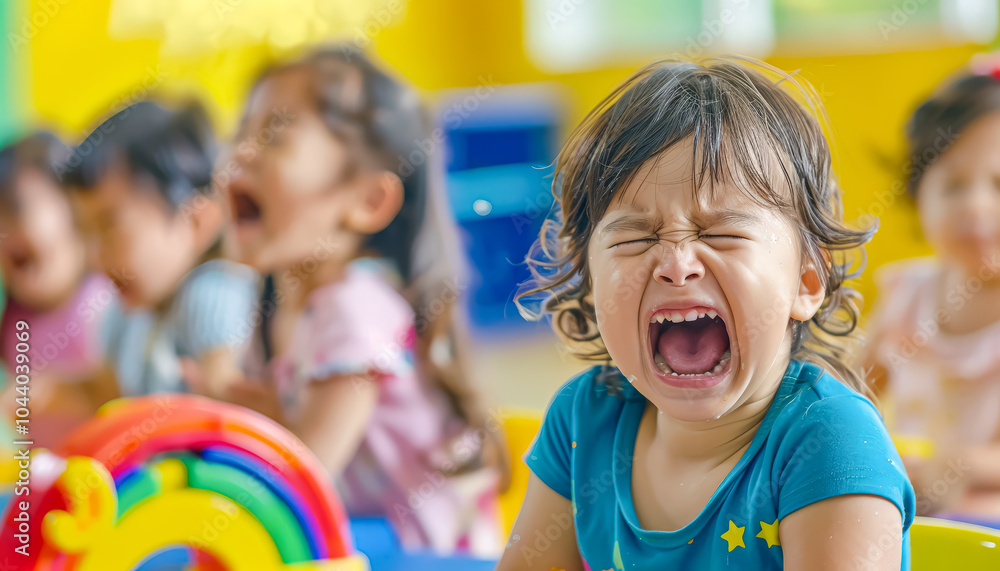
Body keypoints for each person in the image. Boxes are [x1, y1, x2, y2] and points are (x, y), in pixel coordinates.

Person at [499, 59, 915, 570]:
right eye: (636, 238)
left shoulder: (828, 439)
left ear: (806, 282)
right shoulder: (586, 419)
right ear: (590, 290)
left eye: (722, 233)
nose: (676, 265)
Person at [208, 47, 506, 556]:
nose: (242, 152)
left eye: (274, 136)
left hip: (432, 558)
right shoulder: (279, 305)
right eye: (242, 133)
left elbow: (300, 481)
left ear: (368, 201)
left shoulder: (354, 307)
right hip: (372, 542)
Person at [865, 55, 1000, 518]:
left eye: (999, 183)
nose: (976, 206)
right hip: (907, 512)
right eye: (953, 184)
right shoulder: (908, 293)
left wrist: (962, 465)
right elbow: (850, 387)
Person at [63, 101, 256, 399]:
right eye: (85, 233)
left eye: (109, 228)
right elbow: (108, 399)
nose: (95, 258)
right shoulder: (125, 316)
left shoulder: (212, 295)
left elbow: (228, 415)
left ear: (195, 222)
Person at [0, 132, 119, 447]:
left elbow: (124, 393)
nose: (5, 232)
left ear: (75, 210)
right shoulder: (13, 322)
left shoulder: (107, 301)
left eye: (17, 209)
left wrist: (64, 392)